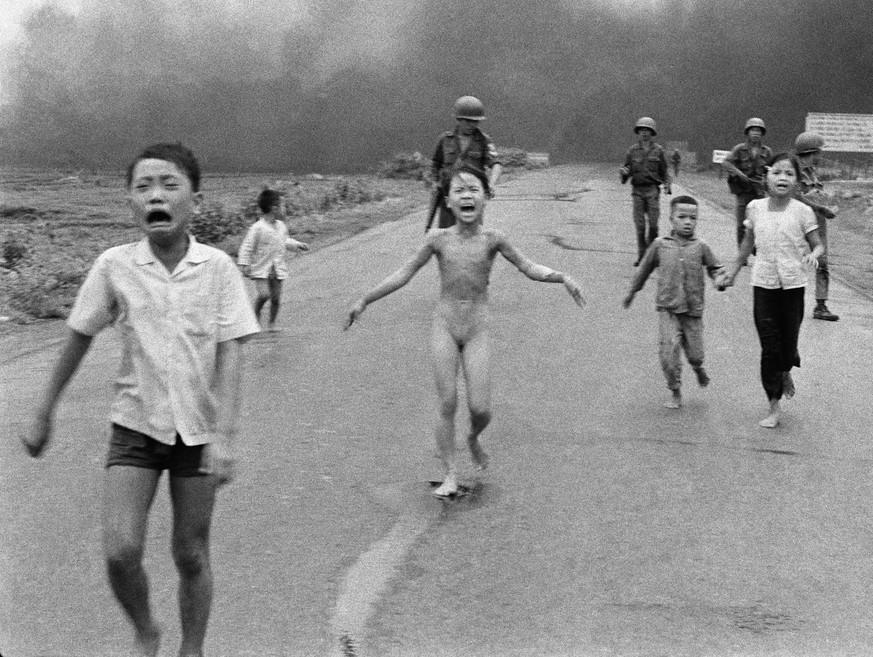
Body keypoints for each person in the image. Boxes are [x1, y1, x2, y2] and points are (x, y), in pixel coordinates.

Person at [21, 143, 260, 657]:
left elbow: (232, 353)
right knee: (120, 551)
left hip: (197, 431)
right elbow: (78, 335)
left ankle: (191, 649)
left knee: (190, 554)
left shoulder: (218, 268)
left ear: (195, 198)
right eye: (143, 186)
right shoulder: (114, 266)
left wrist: (226, 436)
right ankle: (146, 629)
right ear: (129, 200)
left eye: (169, 185)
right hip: (135, 426)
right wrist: (44, 409)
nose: (156, 195)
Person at [345, 165, 585, 497]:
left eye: (474, 189)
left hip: (477, 329)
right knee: (447, 402)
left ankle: (472, 437)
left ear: (486, 198)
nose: (467, 194)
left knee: (481, 409)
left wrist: (562, 277)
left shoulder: (494, 239)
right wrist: (365, 300)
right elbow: (404, 273)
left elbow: (528, 266)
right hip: (444, 326)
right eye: (459, 190)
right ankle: (450, 473)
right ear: (448, 201)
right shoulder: (437, 240)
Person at [722, 152, 824, 429]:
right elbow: (746, 245)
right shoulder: (755, 208)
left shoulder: (803, 211)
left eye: (789, 174)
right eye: (777, 172)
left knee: (788, 343)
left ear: (797, 181)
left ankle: (786, 368)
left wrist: (814, 254)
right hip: (764, 283)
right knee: (769, 345)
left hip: (793, 285)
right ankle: (773, 405)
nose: (782, 178)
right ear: (767, 176)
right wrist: (731, 271)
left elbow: (818, 243)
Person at [623, 195, 726, 409]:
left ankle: (698, 368)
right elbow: (643, 270)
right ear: (671, 218)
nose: (688, 222)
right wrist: (632, 292)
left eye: (693, 218)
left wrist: (719, 279)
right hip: (668, 308)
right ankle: (675, 390)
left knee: (696, 355)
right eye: (682, 217)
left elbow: (715, 268)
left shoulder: (701, 246)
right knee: (668, 354)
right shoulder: (660, 245)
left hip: (693, 311)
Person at [237, 188, 310, 331]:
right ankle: (255, 314)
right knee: (264, 295)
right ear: (274, 208)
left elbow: (284, 241)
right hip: (261, 269)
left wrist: (297, 245)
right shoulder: (257, 228)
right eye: (283, 206)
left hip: (277, 268)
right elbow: (247, 246)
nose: (285, 209)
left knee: (276, 299)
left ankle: (272, 323)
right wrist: (244, 264)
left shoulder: (281, 227)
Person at [425, 96, 502, 231]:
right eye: (468, 121)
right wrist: (435, 183)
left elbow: (496, 164)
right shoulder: (445, 140)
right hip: (449, 197)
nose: (472, 125)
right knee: (446, 235)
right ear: (458, 119)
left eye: (476, 121)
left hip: (472, 197)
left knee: (472, 234)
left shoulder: (484, 141)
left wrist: (491, 184)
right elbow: (435, 165)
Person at [794, 131, 839, 321]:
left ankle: (821, 305)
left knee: (823, 263)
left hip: (818, 223)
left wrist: (828, 206)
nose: (819, 156)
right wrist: (820, 207)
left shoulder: (812, 172)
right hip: (800, 223)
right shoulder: (793, 171)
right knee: (794, 262)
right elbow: (796, 196)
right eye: (817, 152)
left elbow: (815, 194)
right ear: (810, 151)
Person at [620, 116, 672, 266]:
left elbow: (665, 171)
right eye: (641, 130)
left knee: (654, 225)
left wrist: (668, 184)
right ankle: (642, 256)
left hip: (652, 191)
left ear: (652, 132)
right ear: (638, 132)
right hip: (637, 191)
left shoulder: (659, 150)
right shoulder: (632, 151)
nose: (644, 133)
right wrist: (623, 173)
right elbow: (626, 173)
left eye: (647, 130)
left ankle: (651, 255)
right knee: (640, 226)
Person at [722, 117, 773, 247]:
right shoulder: (739, 149)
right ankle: (742, 251)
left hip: (759, 192)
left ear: (762, 134)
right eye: (753, 130)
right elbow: (726, 163)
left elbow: (772, 170)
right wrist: (739, 174)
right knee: (741, 224)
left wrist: (767, 182)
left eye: (758, 131)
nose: (756, 133)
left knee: (758, 223)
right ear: (747, 132)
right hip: (743, 191)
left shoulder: (767, 152)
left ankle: (755, 247)